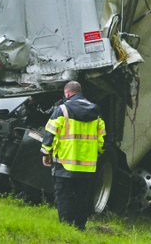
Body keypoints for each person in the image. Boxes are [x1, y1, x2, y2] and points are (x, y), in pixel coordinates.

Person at [41, 81, 106, 230]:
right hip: (87, 166)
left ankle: (66, 226)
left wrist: (46, 152)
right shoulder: (95, 112)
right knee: (82, 196)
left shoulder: (62, 110)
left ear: (67, 94)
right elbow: (102, 138)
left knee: (64, 195)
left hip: (65, 163)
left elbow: (50, 132)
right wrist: (97, 152)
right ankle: (80, 226)